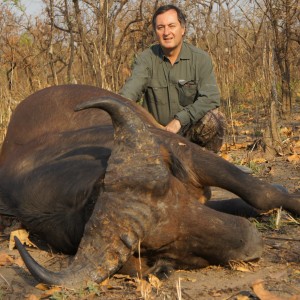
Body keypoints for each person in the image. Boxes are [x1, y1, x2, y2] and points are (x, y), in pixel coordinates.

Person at [119, 4, 226, 153]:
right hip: (155, 134)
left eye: (171, 26)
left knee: (215, 119)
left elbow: (211, 98)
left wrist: (179, 120)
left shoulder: (200, 59)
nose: (166, 32)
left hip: (188, 131)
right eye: (160, 27)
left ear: (182, 29)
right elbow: (129, 94)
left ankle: (208, 159)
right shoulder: (145, 59)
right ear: (155, 32)